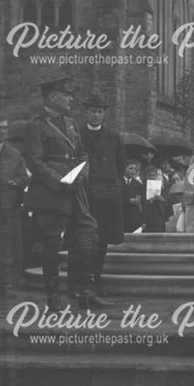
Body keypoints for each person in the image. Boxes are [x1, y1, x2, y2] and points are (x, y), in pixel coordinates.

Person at [23, 75, 100, 310]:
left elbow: (82, 153)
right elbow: (35, 162)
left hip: (75, 190)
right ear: (50, 97)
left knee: (88, 235)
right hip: (51, 193)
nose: (70, 98)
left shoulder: (71, 123)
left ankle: (85, 290)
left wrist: (82, 174)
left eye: (70, 94)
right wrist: (60, 181)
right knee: (51, 244)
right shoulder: (35, 126)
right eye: (65, 94)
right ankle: (53, 296)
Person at [80, 93, 126, 296]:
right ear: (86, 112)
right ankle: (84, 280)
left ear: (104, 114)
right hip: (86, 193)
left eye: (99, 111)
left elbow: (121, 165)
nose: (96, 115)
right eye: (92, 111)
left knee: (103, 238)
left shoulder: (113, 137)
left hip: (108, 194)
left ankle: (95, 277)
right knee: (86, 237)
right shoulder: (77, 135)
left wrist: (113, 184)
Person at [0, 115, 28, 301]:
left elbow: (24, 178)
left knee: (4, 248)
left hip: (6, 208)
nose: (2, 131)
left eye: (5, 128)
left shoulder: (14, 154)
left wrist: (15, 182)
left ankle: (4, 285)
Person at [122, 160, 144, 231]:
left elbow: (139, 200)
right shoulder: (118, 182)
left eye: (135, 169)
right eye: (130, 168)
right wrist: (129, 201)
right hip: (121, 214)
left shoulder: (138, 184)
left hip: (134, 217)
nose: (133, 171)